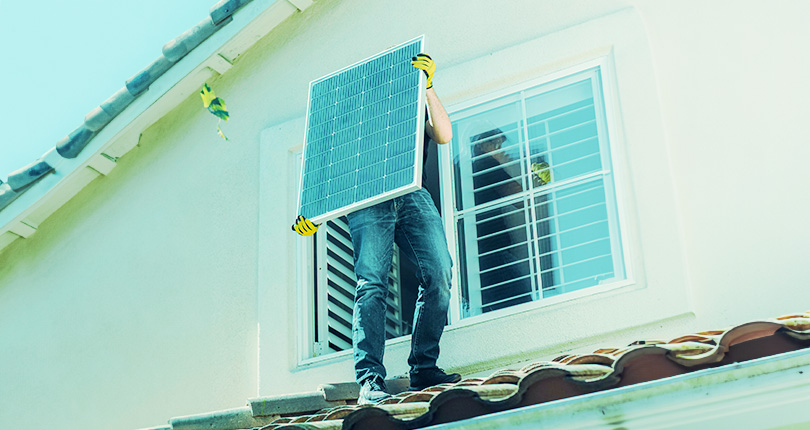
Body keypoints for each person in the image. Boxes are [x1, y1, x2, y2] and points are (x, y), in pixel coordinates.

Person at [292, 53, 460, 404]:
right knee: (371, 285)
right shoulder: (350, 126)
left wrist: (427, 87)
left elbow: (442, 134)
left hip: (412, 194)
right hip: (366, 202)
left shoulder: (409, 106)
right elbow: (324, 163)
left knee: (440, 271)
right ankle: (370, 381)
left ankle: (424, 367)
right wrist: (311, 214)